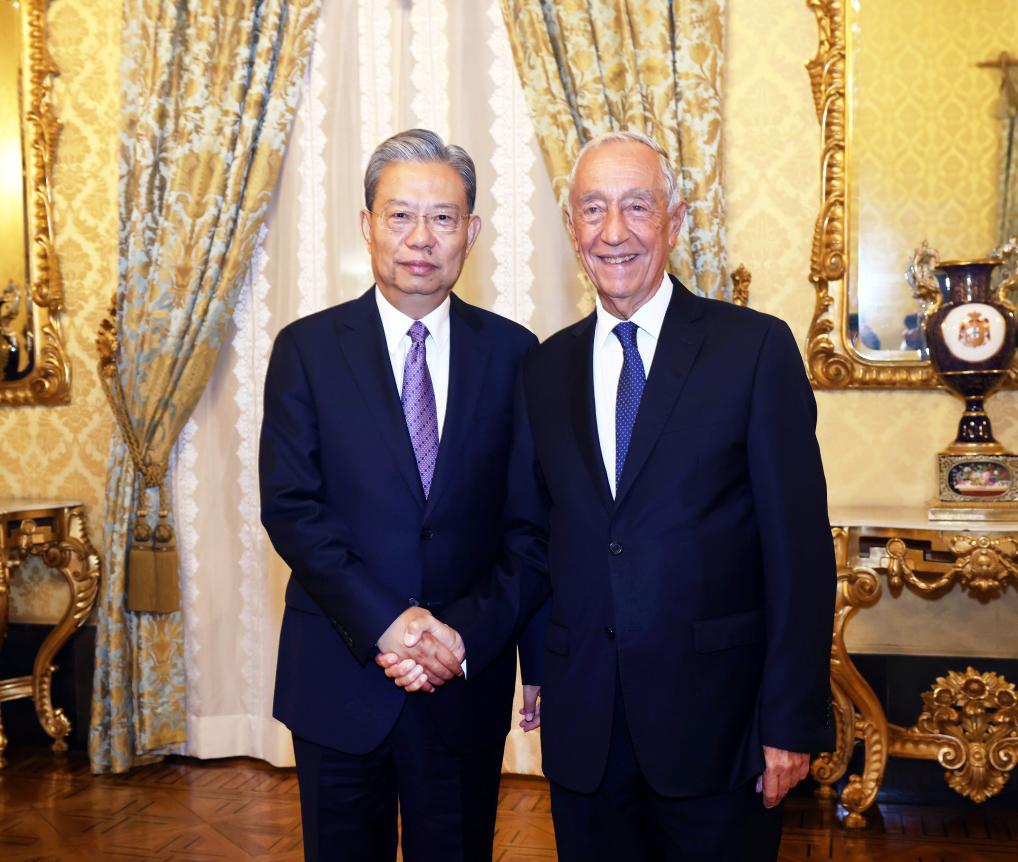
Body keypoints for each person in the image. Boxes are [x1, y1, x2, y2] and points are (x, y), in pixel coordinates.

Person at [381, 131, 837, 861]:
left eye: (636, 207)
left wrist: (791, 720)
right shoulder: (546, 368)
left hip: (719, 729)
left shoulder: (752, 350)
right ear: (571, 228)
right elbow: (537, 535)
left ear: (676, 219)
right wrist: (532, 662)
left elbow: (801, 555)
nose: (614, 232)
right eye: (593, 210)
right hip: (585, 727)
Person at [259, 129, 543, 862]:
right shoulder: (306, 350)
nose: (422, 238)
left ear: (472, 232)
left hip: (461, 683)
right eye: (400, 215)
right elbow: (292, 507)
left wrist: (460, 642)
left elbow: (531, 528)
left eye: (444, 218)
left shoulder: (516, 356)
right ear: (366, 225)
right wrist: (390, 624)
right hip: (340, 677)